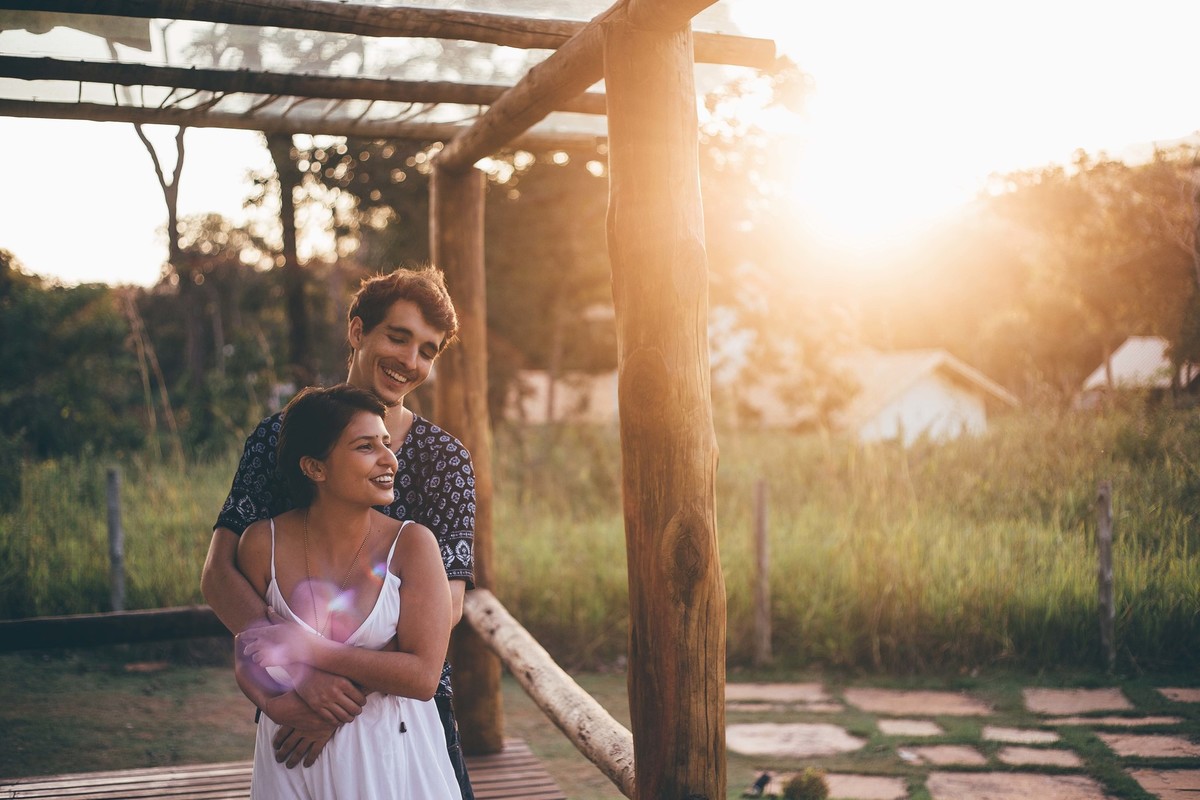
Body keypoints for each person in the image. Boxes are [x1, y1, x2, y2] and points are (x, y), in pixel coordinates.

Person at [201, 266, 475, 796]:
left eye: (427, 351)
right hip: (291, 704)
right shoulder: (278, 438)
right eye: (398, 337)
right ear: (357, 331)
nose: (410, 360)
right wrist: (305, 681)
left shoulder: (446, 460)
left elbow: (449, 604)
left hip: (402, 710)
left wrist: (340, 696)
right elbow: (221, 574)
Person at [237, 383, 460, 798]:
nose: (389, 459)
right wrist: (276, 706)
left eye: (386, 443)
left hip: (389, 755)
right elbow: (246, 649)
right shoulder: (261, 543)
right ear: (315, 468)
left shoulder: (412, 545)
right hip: (290, 754)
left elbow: (423, 676)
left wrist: (310, 651)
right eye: (365, 446)